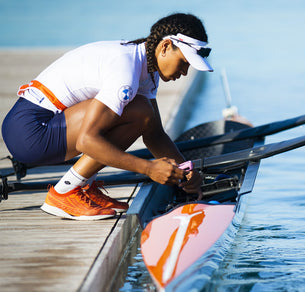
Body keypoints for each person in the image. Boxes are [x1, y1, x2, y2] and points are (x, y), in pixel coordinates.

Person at [1, 13, 213, 220]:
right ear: (165, 46)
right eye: (184, 62)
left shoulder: (146, 68)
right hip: (30, 131)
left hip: (37, 125)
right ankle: (65, 192)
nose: (185, 72)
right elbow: (87, 140)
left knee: (142, 113)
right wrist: (148, 168)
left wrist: (186, 173)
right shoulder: (126, 71)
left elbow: (154, 134)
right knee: (140, 111)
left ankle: (84, 187)